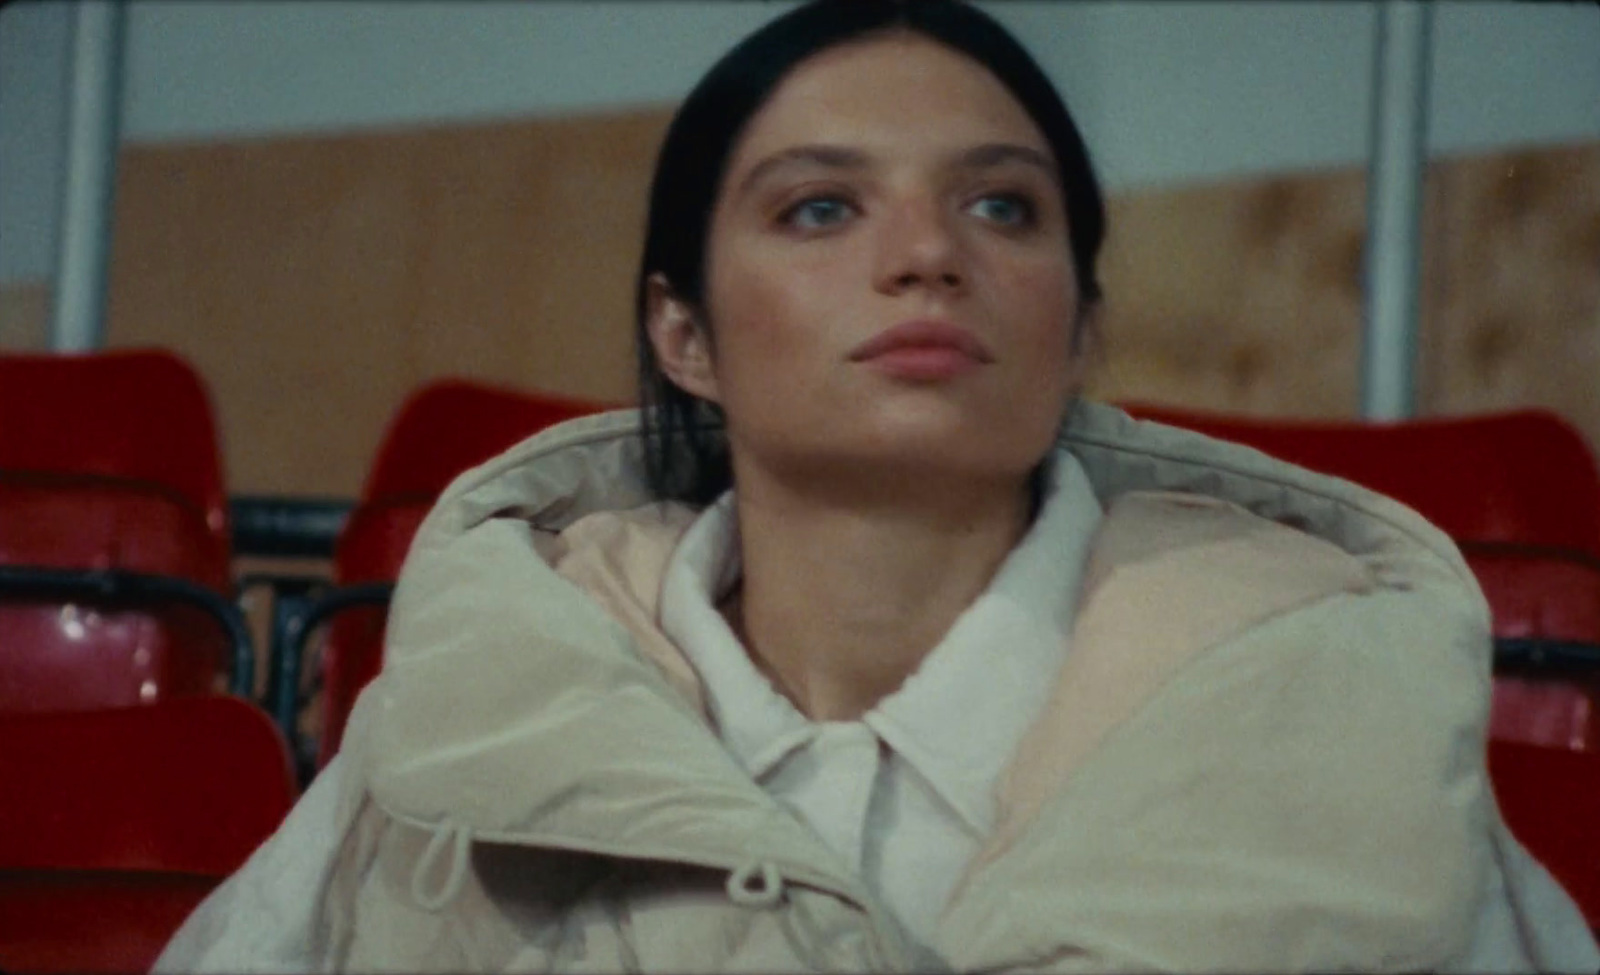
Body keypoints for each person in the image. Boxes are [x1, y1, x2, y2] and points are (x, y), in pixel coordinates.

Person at [157, 1, 1599, 970]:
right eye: (822, 207)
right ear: (684, 334)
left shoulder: (1338, 713)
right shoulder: (461, 732)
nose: (927, 254)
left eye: (1000, 205)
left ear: (1079, 326)